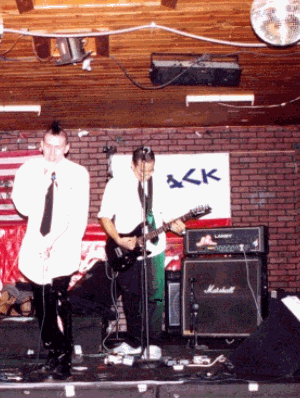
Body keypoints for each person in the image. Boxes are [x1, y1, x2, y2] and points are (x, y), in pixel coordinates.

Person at [12, 122, 90, 379]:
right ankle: (52, 351)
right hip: (35, 246)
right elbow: (23, 207)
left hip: (63, 246)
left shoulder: (78, 174)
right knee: (42, 304)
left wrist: (57, 244)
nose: (53, 152)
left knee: (58, 300)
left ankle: (65, 358)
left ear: (67, 148)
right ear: (41, 145)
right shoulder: (28, 169)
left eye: (59, 147)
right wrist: (41, 183)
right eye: (48, 146)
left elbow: (78, 217)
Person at [98, 146, 185, 356]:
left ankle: (153, 344)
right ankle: (134, 342)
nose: (146, 175)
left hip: (155, 249)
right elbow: (105, 217)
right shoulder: (116, 184)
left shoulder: (161, 184)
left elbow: (169, 215)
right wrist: (118, 240)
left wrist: (176, 225)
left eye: (151, 170)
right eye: (141, 171)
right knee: (131, 298)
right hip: (127, 249)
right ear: (132, 165)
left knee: (155, 298)